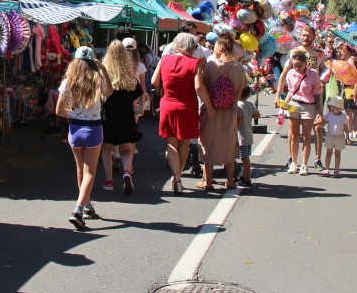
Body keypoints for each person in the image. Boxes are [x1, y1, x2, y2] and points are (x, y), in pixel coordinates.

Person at [56, 46, 113, 231]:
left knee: (80, 170)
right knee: (90, 172)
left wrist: (72, 113)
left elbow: (58, 111)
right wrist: (102, 68)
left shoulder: (68, 82)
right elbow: (110, 91)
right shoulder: (97, 81)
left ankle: (87, 206)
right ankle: (78, 210)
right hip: (93, 128)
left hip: (75, 128)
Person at [152, 32, 212, 193]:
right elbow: (199, 87)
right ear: (192, 48)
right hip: (188, 105)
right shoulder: (195, 63)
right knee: (184, 143)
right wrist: (210, 107)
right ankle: (177, 177)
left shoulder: (164, 59)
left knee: (170, 143)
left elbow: (154, 81)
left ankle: (177, 177)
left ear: (176, 46)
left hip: (168, 104)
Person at [197, 33, 247, 190]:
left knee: (208, 143)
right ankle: (230, 180)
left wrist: (210, 106)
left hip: (211, 111)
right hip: (229, 111)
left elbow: (203, 88)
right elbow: (239, 93)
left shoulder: (211, 66)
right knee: (229, 144)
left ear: (221, 47)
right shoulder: (239, 67)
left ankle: (208, 181)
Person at [275, 26, 325, 170]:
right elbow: (284, 74)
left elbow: (326, 72)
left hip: (315, 93)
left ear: (313, 37)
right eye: (303, 35)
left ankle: (317, 159)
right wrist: (278, 95)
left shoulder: (319, 54)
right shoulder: (294, 52)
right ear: (300, 36)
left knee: (317, 128)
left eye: (308, 35)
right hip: (297, 96)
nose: (305, 38)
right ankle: (292, 158)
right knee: (293, 130)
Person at [100, 40, 143, 195]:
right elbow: (136, 98)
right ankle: (126, 172)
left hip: (108, 114)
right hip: (125, 114)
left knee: (107, 148)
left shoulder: (104, 73)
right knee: (126, 148)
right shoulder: (130, 75)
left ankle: (109, 180)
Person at [322, 95, 352, 177]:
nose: (332, 108)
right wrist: (319, 123)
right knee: (328, 153)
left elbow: (346, 128)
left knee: (337, 154)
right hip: (330, 136)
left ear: (340, 108)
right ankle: (327, 169)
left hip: (340, 137)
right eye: (331, 106)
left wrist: (348, 138)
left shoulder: (343, 117)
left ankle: (336, 169)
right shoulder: (329, 114)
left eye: (334, 107)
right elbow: (323, 121)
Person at [235, 86, 259, 188]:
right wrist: (249, 116)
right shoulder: (249, 104)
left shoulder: (238, 106)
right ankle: (244, 176)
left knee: (245, 159)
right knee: (246, 157)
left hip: (241, 136)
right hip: (248, 134)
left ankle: (247, 179)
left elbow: (239, 121)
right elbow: (257, 115)